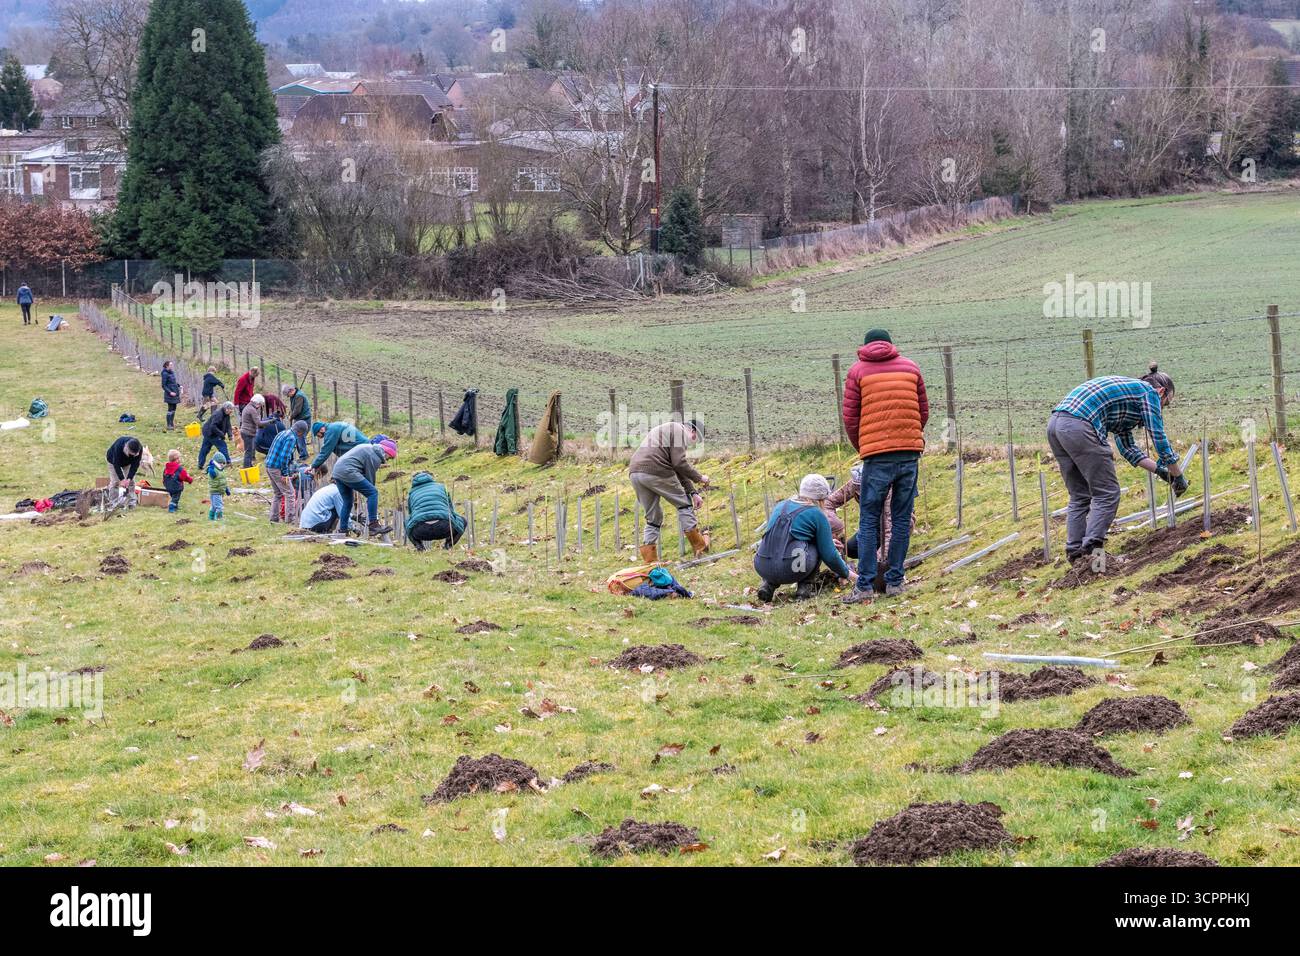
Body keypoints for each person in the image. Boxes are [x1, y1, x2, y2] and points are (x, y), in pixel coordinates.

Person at [1049, 364, 1186, 563]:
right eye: (1166, 403)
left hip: (1056, 425)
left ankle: (1075, 554)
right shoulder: (1149, 393)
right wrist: (1177, 474)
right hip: (1080, 425)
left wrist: (1162, 472)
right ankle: (1092, 553)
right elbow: (1158, 436)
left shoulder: (1127, 400)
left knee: (1080, 495)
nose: (1163, 408)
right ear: (1162, 392)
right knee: (1107, 493)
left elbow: (1128, 449)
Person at [841, 329, 929, 603]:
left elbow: (850, 419)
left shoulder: (858, 372)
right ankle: (895, 582)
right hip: (909, 454)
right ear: (890, 345)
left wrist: (864, 447)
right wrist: (909, 439)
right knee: (901, 518)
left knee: (869, 519)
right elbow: (923, 411)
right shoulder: (911, 368)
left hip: (876, 457)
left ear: (865, 346)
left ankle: (864, 586)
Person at [754, 474, 856, 602]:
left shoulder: (781, 506)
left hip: (762, 565)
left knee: (777, 543)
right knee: (819, 546)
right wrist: (850, 575)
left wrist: (828, 542)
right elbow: (829, 555)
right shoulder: (817, 514)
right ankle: (804, 589)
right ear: (822, 498)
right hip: (792, 569)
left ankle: (768, 585)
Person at [825, 463, 915, 594]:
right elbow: (829, 502)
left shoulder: (888, 491)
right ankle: (847, 571)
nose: (862, 492)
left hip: (896, 525)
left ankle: (892, 568)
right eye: (859, 488)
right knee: (850, 548)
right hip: (872, 526)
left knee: (882, 563)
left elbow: (890, 530)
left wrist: (878, 561)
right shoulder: (855, 483)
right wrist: (835, 524)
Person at [629, 419, 710, 562]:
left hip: (635, 472)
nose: (692, 443)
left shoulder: (667, 430)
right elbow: (679, 463)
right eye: (695, 440)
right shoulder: (680, 431)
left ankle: (650, 562)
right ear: (693, 432)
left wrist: (693, 492)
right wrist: (699, 477)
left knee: (653, 517)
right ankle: (700, 547)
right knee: (684, 504)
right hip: (656, 469)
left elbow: (676, 467)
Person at [333, 439, 396, 537]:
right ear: (387, 452)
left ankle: (343, 531)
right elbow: (370, 478)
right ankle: (374, 525)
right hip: (348, 471)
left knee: (348, 502)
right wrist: (372, 501)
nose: (387, 460)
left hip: (337, 471)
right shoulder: (375, 456)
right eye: (390, 457)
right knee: (373, 493)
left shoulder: (369, 448)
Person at [404, 471, 466, 551]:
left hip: (421, 531)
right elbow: (451, 509)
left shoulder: (412, 493)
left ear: (413, 481)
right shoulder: (441, 487)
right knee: (463, 521)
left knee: (406, 522)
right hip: (444, 527)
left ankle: (419, 546)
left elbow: (411, 513)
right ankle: (448, 545)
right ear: (431, 478)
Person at [265, 421, 307, 523]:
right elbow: (284, 457)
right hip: (276, 468)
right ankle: (290, 520)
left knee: (278, 493)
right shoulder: (291, 438)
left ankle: (274, 518)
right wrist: (285, 474)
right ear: (300, 432)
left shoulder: (283, 433)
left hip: (269, 465)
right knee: (290, 493)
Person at [105, 436, 143, 504]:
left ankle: (131, 502)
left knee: (131, 482)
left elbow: (135, 465)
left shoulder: (139, 449)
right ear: (126, 448)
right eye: (131, 454)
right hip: (113, 461)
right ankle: (113, 502)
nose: (134, 456)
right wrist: (122, 479)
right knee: (115, 482)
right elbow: (116, 464)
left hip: (127, 463)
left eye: (135, 455)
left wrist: (129, 478)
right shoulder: (118, 446)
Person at [199, 401, 234, 469]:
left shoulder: (226, 415)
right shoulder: (218, 414)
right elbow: (213, 426)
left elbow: (228, 425)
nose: (231, 411)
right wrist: (221, 435)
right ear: (226, 408)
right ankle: (228, 462)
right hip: (210, 433)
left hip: (211, 433)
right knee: (222, 446)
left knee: (205, 448)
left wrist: (230, 435)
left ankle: (200, 464)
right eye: (231, 409)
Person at [239, 394, 267, 468]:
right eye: (260, 404)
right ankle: (246, 467)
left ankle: (249, 465)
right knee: (248, 452)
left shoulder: (248, 407)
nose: (260, 406)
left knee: (249, 451)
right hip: (248, 433)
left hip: (246, 432)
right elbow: (258, 423)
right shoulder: (252, 409)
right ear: (257, 402)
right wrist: (269, 421)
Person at [283, 385, 312, 457]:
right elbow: (293, 407)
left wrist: (291, 417)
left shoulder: (299, 396)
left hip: (304, 419)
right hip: (299, 419)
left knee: (300, 437)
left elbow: (297, 410)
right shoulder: (294, 396)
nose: (288, 396)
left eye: (288, 395)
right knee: (297, 437)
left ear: (291, 391)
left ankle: (304, 456)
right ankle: (302, 454)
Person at [207, 452, 230, 520]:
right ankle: (219, 518)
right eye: (221, 463)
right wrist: (211, 467)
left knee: (214, 506)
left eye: (223, 463)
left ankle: (211, 518)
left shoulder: (221, 471)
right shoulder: (213, 470)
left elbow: (223, 481)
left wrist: (226, 489)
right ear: (216, 462)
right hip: (215, 491)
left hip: (219, 491)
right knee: (219, 506)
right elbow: (212, 474)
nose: (222, 464)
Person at [160, 360, 181, 431]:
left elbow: (173, 382)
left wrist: (179, 385)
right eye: (170, 365)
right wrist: (170, 392)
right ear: (167, 366)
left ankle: (172, 423)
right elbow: (164, 385)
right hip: (170, 394)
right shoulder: (164, 374)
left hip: (175, 392)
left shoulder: (172, 372)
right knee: (170, 409)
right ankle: (169, 425)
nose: (172, 366)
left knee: (174, 409)